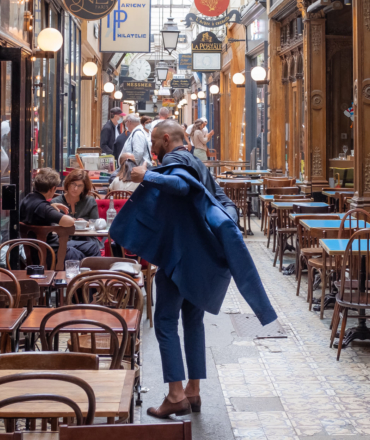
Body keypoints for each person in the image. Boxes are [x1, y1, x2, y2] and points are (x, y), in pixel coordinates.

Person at [110, 121, 276, 419]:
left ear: (164, 139)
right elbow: (223, 201)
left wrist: (145, 175)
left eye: (153, 141)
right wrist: (222, 227)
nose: (153, 148)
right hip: (201, 258)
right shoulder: (197, 162)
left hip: (179, 257)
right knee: (192, 322)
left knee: (164, 321)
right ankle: (193, 391)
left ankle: (175, 396)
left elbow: (181, 186)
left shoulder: (176, 160)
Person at [20, 168, 101, 263]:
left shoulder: (27, 199)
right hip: (51, 252)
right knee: (85, 256)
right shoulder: (43, 207)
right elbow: (69, 222)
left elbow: (41, 210)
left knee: (92, 247)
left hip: (39, 249)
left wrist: (51, 206)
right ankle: (87, 277)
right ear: (52, 188)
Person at [51, 169, 102, 254]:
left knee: (91, 246)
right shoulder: (56, 202)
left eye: (80, 186)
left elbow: (96, 223)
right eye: (73, 184)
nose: (75, 188)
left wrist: (86, 223)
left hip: (87, 239)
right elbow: (52, 226)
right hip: (64, 239)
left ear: (84, 188)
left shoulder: (90, 201)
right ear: (68, 183)